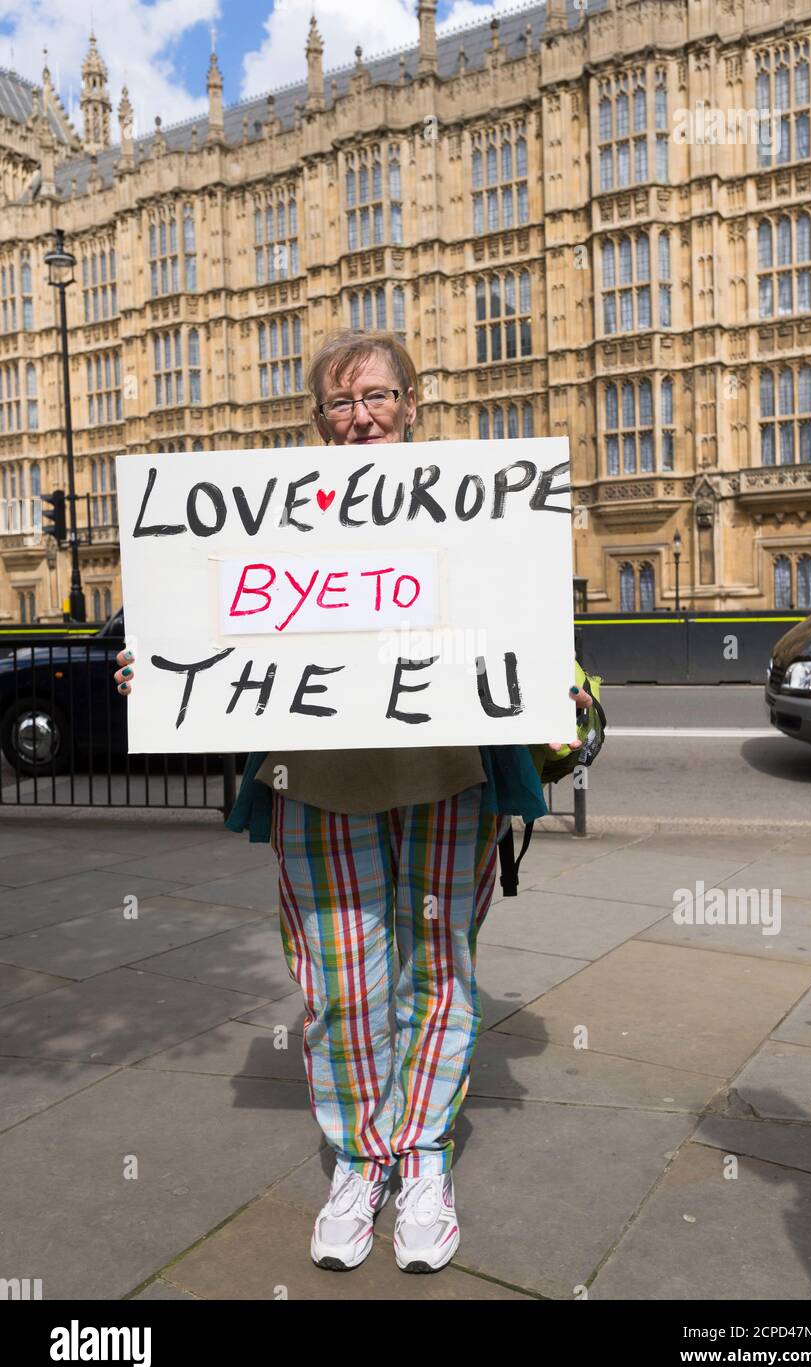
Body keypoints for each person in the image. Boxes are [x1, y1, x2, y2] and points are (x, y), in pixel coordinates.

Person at [114, 329, 583, 1275]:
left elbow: (520, 608)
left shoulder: (475, 500)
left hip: (448, 774)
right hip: (316, 780)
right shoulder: (270, 512)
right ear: (317, 420)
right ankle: (360, 1160)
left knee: (439, 972)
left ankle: (423, 1159)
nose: (359, 414)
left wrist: (560, 681)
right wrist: (156, 672)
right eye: (339, 401)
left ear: (412, 403)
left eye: (376, 395)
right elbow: (209, 618)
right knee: (342, 986)